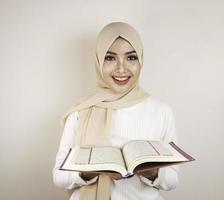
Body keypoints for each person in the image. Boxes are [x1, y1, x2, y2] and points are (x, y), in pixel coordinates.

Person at [52, 22, 179, 200]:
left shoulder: (161, 112)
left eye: (131, 57)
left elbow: (173, 180)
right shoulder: (81, 112)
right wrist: (88, 173)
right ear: (98, 61)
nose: (121, 68)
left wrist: (152, 173)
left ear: (141, 61)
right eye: (110, 58)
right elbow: (59, 176)